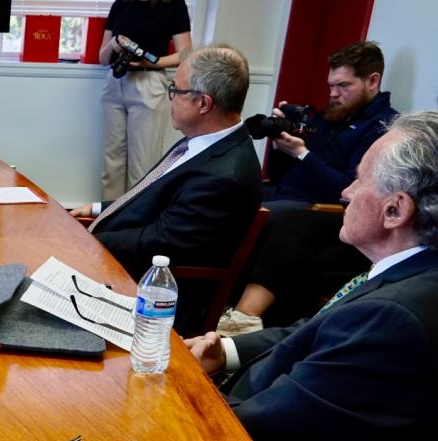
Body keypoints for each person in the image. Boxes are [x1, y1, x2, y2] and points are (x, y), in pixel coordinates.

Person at [185, 111, 438, 441]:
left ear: (395, 210)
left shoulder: (394, 316)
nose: (344, 192)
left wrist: (184, 396)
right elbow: (318, 331)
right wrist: (228, 352)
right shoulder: (408, 277)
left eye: (359, 180)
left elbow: (265, 427)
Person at [218, 41, 398, 334]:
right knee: (228, 193)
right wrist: (282, 145)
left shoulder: (382, 128)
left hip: (323, 210)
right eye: (331, 85)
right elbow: (281, 175)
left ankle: (241, 318)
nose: (333, 94)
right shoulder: (331, 117)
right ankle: (210, 297)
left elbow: (347, 189)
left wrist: (303, 154)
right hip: (287, 195)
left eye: (343, 86)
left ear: (373, 80)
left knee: (279, 217)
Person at [72, 44, 261, 281]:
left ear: (203, 103)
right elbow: (155, 198)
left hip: (149, 289)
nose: (170, 97)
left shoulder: (223, 177)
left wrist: (87, 241)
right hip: (122, 257)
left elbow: (161, 241)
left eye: (176, 90)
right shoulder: (203, 142)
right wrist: (99, 208)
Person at [99, 0, 192, 201]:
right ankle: (107, 222)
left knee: (142, 166)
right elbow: (103, 58)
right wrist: (114, 44)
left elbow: (185, 53)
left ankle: (135, 224)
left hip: (149, 81)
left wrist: (152, 60)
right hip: (115, 82)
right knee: (111, 163)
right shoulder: (120, 4)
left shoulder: (173, 5)